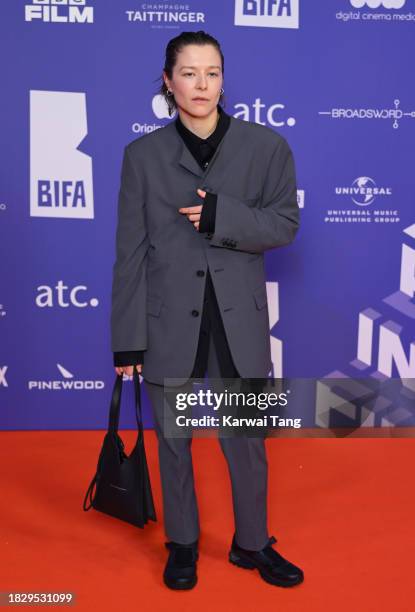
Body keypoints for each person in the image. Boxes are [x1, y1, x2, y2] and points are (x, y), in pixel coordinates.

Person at [111, 30, 304, 590]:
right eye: (189, 73)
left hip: (238, 323)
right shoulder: (141, 156)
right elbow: (130, 254)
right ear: (168, 82)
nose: (202, 84)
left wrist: (224, 215)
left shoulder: (267, 147)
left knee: (246, 444)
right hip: (167, 323)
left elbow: (286, 224)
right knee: (174, 441)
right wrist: (127, 340)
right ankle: (183, 544)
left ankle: (252, 545)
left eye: (212, 72)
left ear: (224, 78)